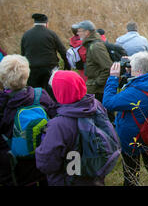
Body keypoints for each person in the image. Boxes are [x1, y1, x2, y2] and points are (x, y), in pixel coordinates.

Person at [35, 70, 118, 186]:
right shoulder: (95, 105)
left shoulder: (58, 125)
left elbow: (46, 163)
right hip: (95, 175)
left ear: (59, 93)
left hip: (68, 179)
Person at [103, 52, 148, 186]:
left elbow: (108, 102)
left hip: (133, 137)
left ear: (138, 71)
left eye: (131, 66)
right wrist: (130, 72)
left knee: (131, 170)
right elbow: (140, 82)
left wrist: (113, 79)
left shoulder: (134, 93)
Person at [0, 55, 57, 186]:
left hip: (14, 166)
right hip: (42, 159)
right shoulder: (40, 95)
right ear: (27, 74)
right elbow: (54, 119)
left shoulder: (2, 103)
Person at [21, 13, 70, 99]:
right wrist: (67, 65)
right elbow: (62, 51)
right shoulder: (51, 34)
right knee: (52, 93)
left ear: (34, 23)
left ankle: (37, 109)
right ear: (46, 24)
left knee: (34, 94)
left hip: (32, 69)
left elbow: (23, 54)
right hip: (50, 68)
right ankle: (52, 109)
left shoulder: (26, 35)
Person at [73, 20, 113, 112]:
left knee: (103, 115)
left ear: (87, 32)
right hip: (95, 87)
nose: (78, 33)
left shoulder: (95, 46)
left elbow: (108, 67)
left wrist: (97, 83)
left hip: (98, 90)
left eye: (79, 31)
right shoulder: (91, 44)